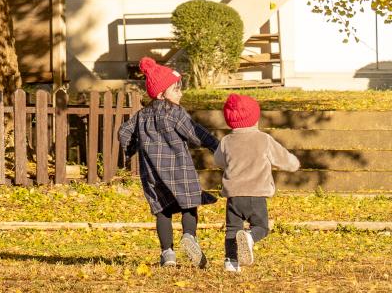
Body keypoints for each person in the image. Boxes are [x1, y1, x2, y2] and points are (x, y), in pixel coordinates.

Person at [116, 57, 220, 268]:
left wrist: (133, 149)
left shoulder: (141, 115)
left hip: (152, 175)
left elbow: (124, 132)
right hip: (179, 169)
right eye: (176, 89)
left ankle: (168, 254)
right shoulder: (175, 112)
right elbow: (195, 133)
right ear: (162, 93)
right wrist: (218, 147)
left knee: (162, 211)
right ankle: (189, 236)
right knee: (189, 205)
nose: (180, 93)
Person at [214, 92, 300, 272]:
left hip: (234, 197)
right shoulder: (263, 139)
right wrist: (294, 164)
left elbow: (219, 161)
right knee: (261, 226)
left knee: (231, 230)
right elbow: (283, 158)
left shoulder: (226, 141)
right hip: (256, 194)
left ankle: (231, 263)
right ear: (255, 118)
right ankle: (250, 237)